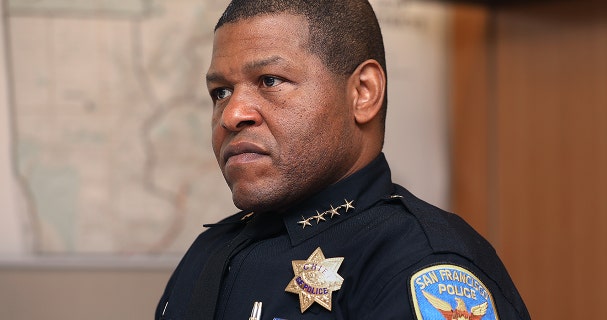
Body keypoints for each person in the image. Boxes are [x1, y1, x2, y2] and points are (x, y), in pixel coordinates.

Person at [156, 0, 530, 319]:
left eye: (270, 80)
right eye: (220, 91)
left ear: (363, 93)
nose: (232, 114)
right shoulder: (213, 248)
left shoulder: (420, 263)